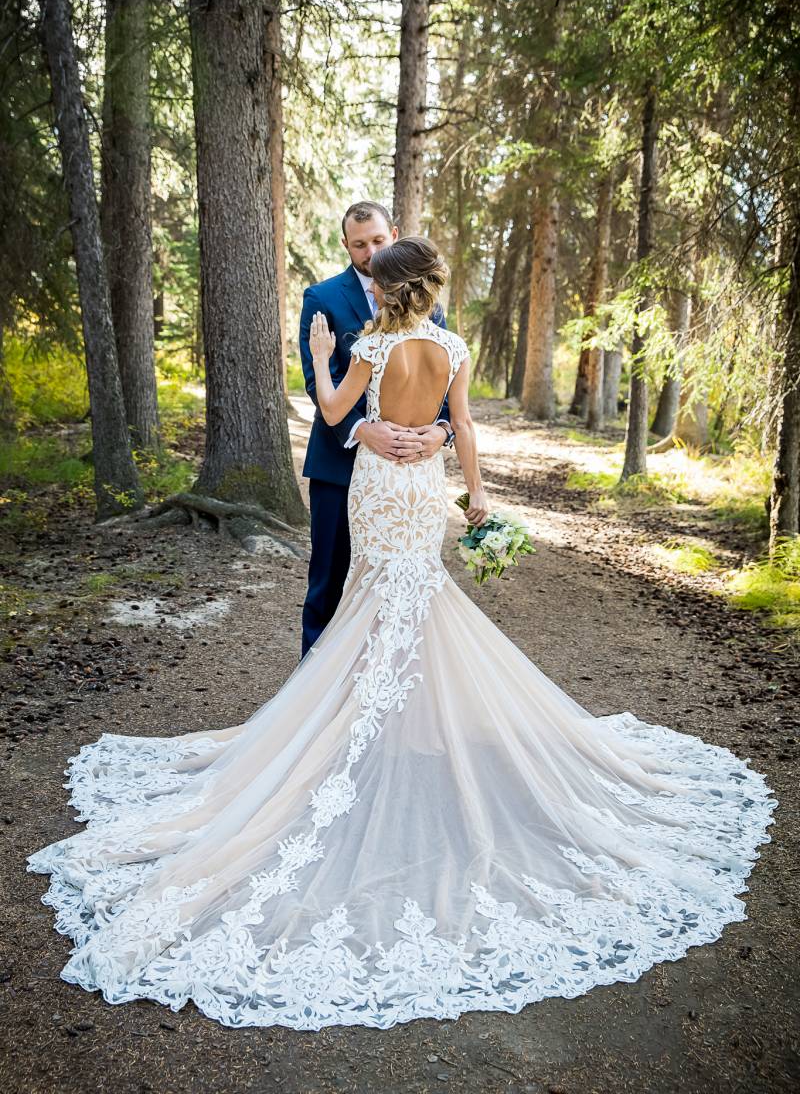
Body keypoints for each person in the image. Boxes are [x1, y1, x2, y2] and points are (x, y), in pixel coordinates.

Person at [27, 237, 777, 1033]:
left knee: (372, 604)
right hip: (424, 492)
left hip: (382, 490)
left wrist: (321, 356)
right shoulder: (450, 345)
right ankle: (395, 726)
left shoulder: (371, 344)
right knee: (411, 604)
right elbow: (461, 425)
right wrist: (476, 496)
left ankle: (368, 729)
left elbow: (332, 411)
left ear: (384, 290)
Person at [298, 200, 453, 657]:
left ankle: (392, 685)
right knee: (327, 581)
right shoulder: (321, 298)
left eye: (378, 241)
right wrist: (362, 430)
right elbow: (315, 381)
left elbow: (443, 381)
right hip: (339, 466)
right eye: (359, 245)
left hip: (408, 476)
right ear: (346, 245)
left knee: (402, 587)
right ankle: (313, 692)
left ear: (395, 234)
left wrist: (440, 432)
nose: (369, 253)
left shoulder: (431, 305)